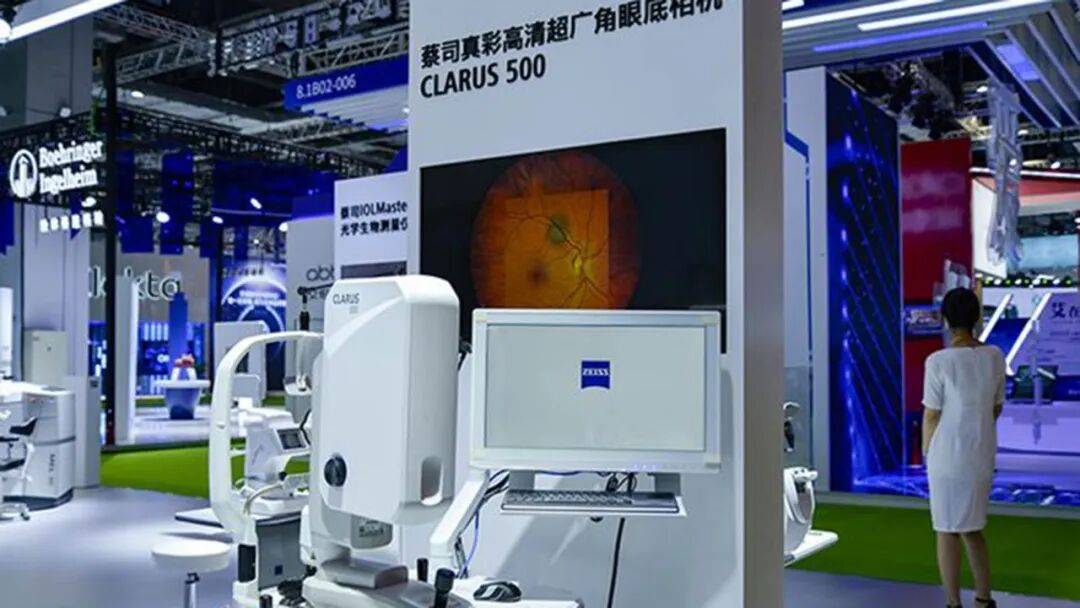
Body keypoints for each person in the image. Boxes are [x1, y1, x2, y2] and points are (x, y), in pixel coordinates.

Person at [923, 287, 1005, 608]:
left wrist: (928, 452)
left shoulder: (938, 361)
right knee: (973, 528)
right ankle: (984, 599)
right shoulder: (994, 356)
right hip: (981, 453)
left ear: (946, 320)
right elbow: (996, 407)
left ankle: (953, 603)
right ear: (977, 317)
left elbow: (931, 414)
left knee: (946, 529)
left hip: (946, 455)